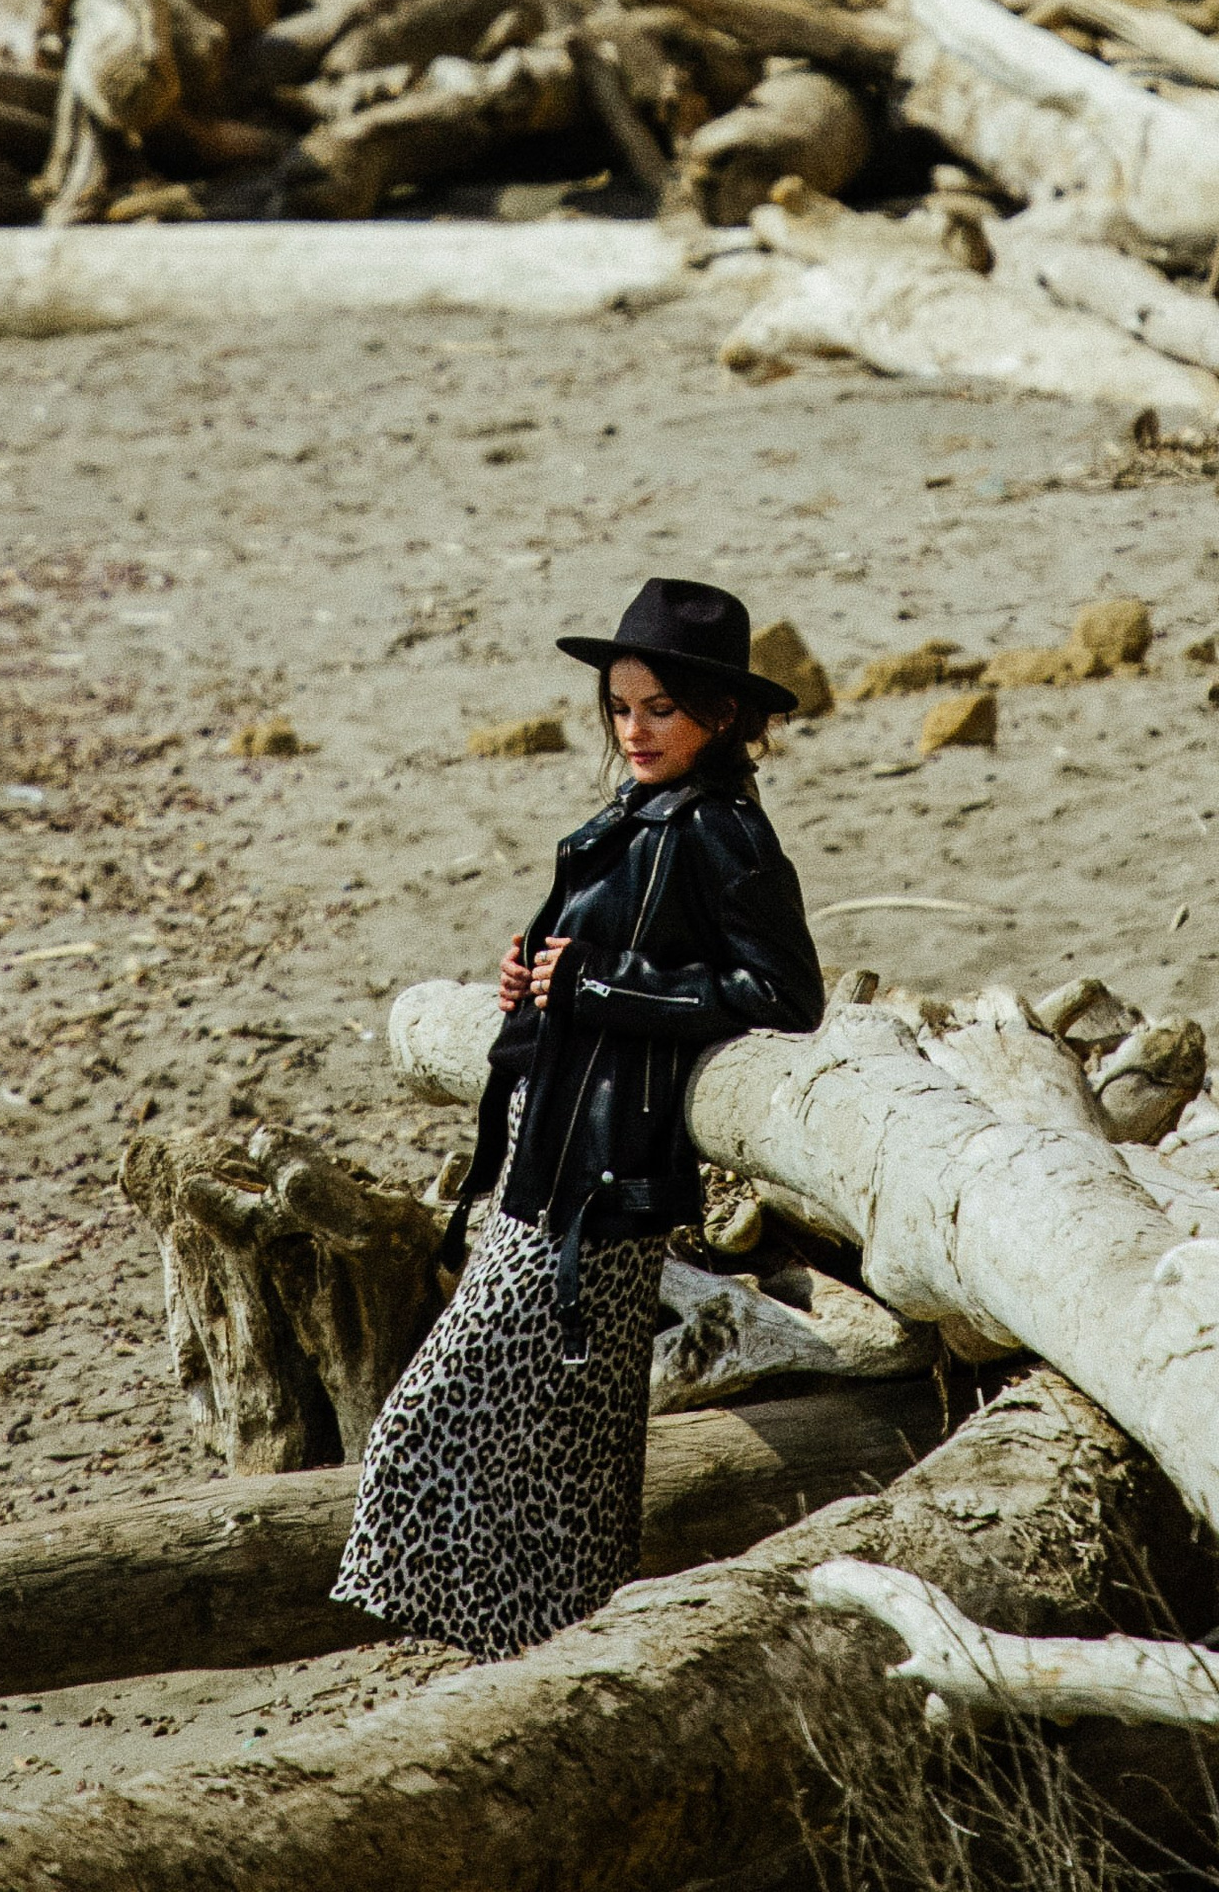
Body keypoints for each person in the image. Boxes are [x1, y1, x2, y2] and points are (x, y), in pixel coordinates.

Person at [333, 575, 822, 1659]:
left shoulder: (724, 829)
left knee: (465, 1426)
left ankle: (533, 1650)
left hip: (608, 1186)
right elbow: (595, 960)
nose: (633, 728)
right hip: (553, 1164)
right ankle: (537, 1650)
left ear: (722, 712)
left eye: (659, 706)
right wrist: (530, 979)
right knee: (554, 1444)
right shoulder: (637, 813)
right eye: (619, 705)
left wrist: (598, 983)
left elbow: (787, 994)